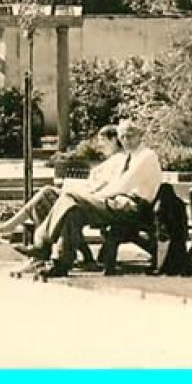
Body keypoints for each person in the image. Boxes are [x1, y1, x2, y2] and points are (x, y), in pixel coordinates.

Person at [17, 119, 163, 278]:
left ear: (140, 135)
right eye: (123, 137)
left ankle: (41, 245)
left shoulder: (146, 156)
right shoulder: (130, 157)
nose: (126, 140)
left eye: (130, 136)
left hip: (132, 207)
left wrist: (90, 197)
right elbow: (112, 185)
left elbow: (122, 187)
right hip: (116, 203)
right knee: (72, 211)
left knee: (70, 197)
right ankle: (60, 264)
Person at [0, 125, 125, 244]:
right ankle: (14, 234)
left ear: (113, 140)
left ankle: (9, 231)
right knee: (43, 204)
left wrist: (81, 187)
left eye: (103, 141)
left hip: (89, 201)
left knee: (46, 195)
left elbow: (105, 185)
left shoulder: (118, 160)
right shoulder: (113, 160)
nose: (99, 145)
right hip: (84, 197)